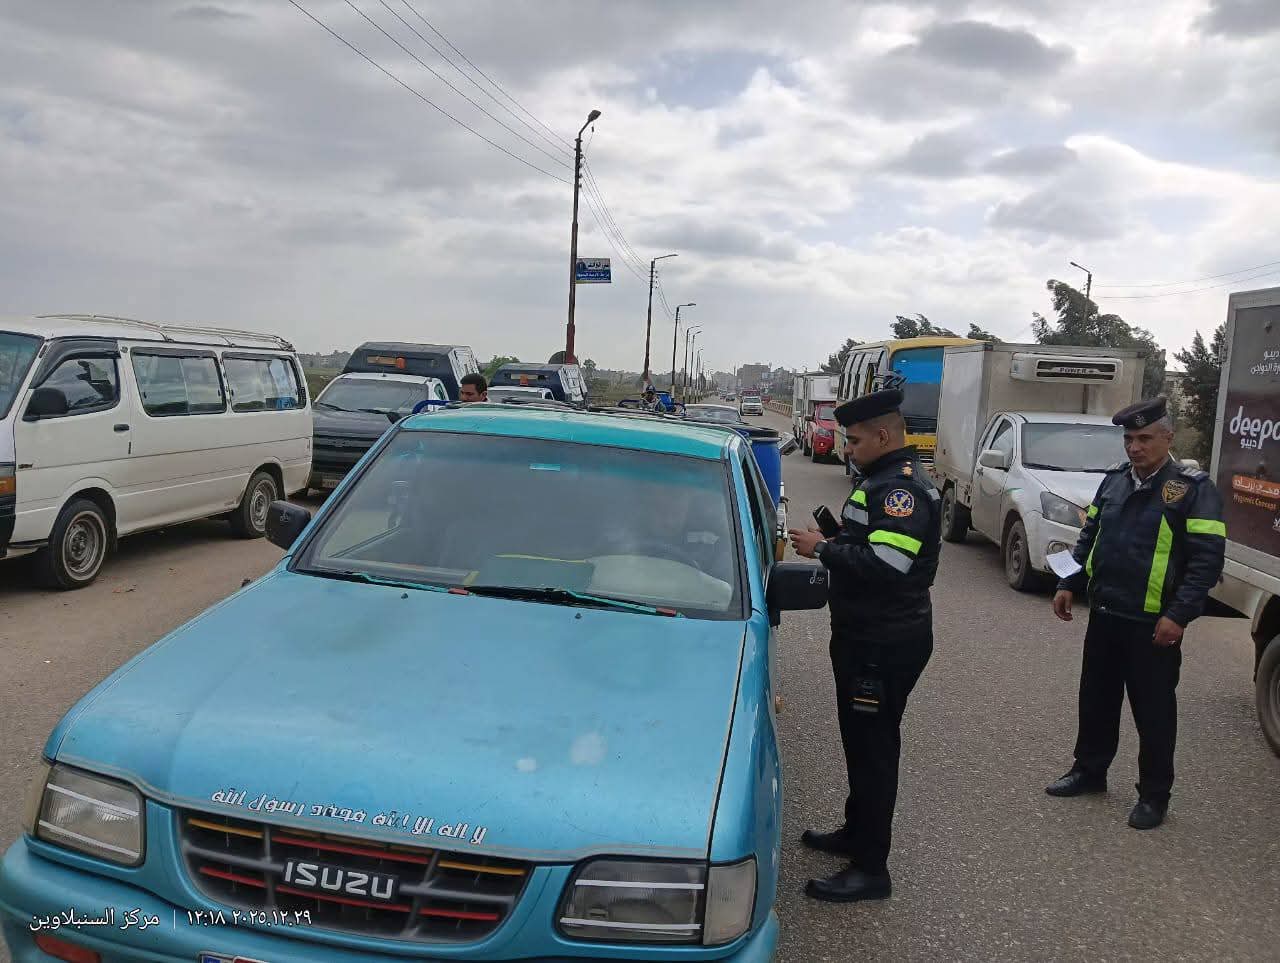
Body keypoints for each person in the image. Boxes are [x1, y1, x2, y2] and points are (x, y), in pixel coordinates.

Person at [788, 388, 940, 902]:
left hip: (883, 641)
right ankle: (857, 832)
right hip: (866, 634)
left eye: (854, 441)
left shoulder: (900, 489)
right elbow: (872, 544)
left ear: (883, 435)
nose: (847, 449)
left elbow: (889, 565)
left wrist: (823, 550)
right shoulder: (879, 478)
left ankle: (872, 868)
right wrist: (838, 540)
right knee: (860, 741)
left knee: (874, 750)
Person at [1047, 397, 1226, 829]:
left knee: (1154, 713)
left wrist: (1179, 615)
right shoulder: (1114, 481)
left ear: (1168, 437)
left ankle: (1154, 796)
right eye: (1129, 439)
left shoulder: (1192, 489)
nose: (1135, 447)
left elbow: (1206, 561)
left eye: (1145, 438)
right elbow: (1089, 535)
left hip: (1153, 624)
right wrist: (1068, 582)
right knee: (1096, 700)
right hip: (1106, 612)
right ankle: (1090, 771)